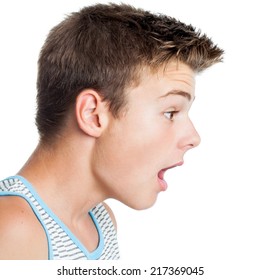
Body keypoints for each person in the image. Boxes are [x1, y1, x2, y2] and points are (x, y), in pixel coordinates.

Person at [0, 3, 223, 260]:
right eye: (170, 112)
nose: (194, 138)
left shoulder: (101, 221)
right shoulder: (13, 229)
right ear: (93, 115)